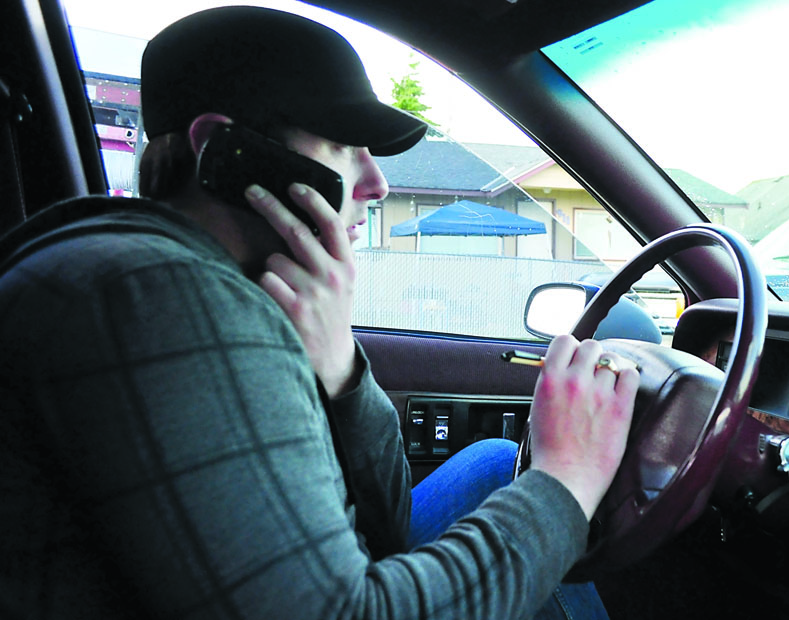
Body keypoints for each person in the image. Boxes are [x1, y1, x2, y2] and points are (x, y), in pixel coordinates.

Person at [0, 6, 639, 619]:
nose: (377, 183)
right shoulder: (160, 296)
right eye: (344, 145)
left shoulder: (179, 280)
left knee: (498, 466)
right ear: (227, 153)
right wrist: (568, 483)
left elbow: (385, 532)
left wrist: (340, 372)